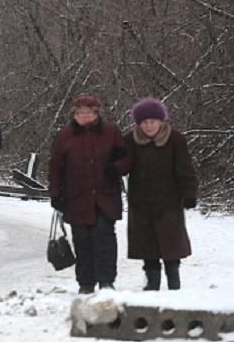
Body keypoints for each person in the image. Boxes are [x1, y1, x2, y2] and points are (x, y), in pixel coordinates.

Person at [48, 95, 132, 294]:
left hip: (105, 196)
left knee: (104, 239)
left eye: (88, 112)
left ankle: (106, 281)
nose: (84, 116)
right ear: (74, 114)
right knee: (82, 241)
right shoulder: (64, 136)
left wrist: (116, 168)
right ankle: (85, 283)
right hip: (76, 197)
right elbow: (55, 167)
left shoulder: (111, 133)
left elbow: (127, 158)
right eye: (80, 113)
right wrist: (55, 193)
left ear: (96, 113)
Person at [125, 98, 198, 291]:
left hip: (169, 201)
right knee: (147, 244)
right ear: (138, 124)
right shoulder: (130, 140)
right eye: (144, 122)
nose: (149, 126)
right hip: (141, 201)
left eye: (152, 121)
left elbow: (185, 169)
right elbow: (122, 163)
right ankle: (152, 282)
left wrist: (189, 192)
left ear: (161, 121)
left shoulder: (175, 139)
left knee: (171, 244)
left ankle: (174, 282)